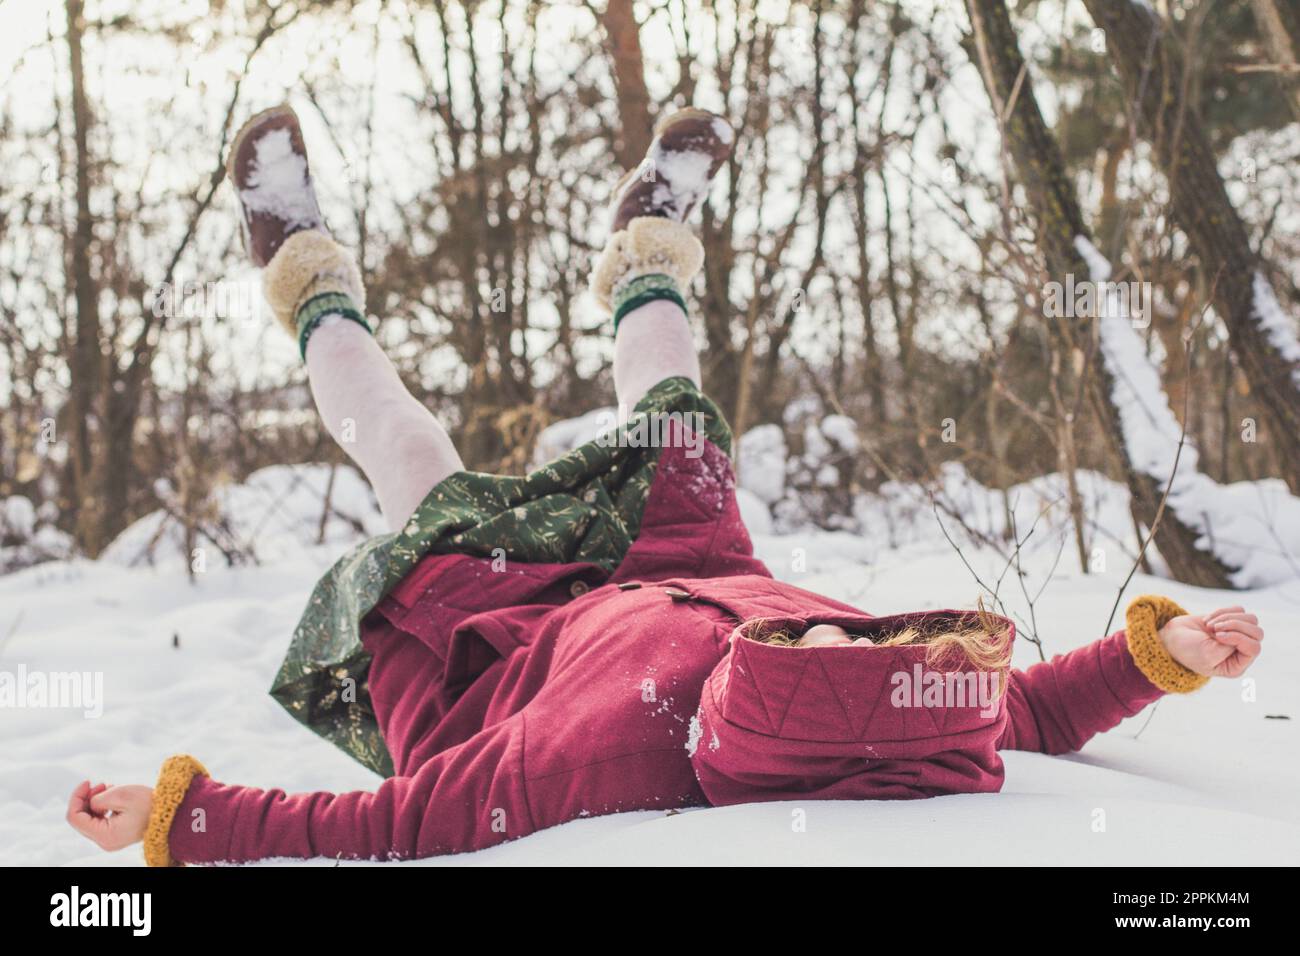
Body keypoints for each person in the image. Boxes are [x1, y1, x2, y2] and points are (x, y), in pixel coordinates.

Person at [66, 104, 1263, 865]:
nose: (826, 635)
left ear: (733, 714)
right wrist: (1171, 653)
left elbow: (380, 829)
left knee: (408, 452)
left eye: (799, 649)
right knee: (682, 424)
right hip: (695, 564)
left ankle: (300, 269)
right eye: (830, 639)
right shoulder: (917, 701)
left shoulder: (596, 759)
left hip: (504, 634)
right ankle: (649, 248)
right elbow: (1039, 711)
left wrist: (182, 814)